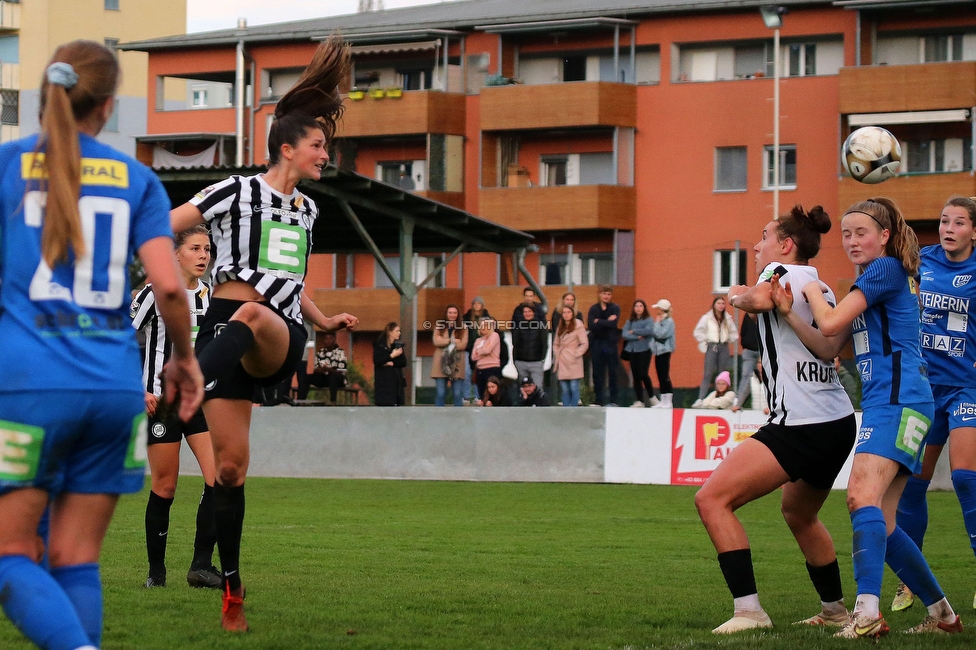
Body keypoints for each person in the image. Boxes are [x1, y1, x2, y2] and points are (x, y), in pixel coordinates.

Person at [0, 40, 203, 650]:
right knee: (75, 560)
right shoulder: (137, 180)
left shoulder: (9, 165)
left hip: (29, 385)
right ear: (109, 104)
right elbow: (170, 288)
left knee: (10, 554)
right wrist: (185, 359)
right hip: (115, 391)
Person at [169, 38, 359, 632]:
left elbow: (287, 283)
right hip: (222, 334)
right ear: (287, 148)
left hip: (275, 339)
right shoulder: (234, 191)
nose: (324, 155)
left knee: (252, 317)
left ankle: (186, 381)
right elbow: (166, 227)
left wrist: (321, 322)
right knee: (228, 470)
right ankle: (230, 587)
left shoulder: (306, 212)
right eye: (318, 145)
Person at [786, 197, 961, 637]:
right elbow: (829, 346)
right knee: (881, 521)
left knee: (859, 498)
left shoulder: (883, 269)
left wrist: (807, 286)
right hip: (901, 403)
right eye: (845, 234)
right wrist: (789, 312)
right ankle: (943, 615)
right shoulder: (875, 277)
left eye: (861, 232)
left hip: (899, 403)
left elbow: (827, 323)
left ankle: (866, 613)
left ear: (884, 236)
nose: (851, 241)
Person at [696, 205, 855, 634]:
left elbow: (758, 298)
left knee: (712, 500)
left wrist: (733, 293)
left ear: (785, 245)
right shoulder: (818, 282)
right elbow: (828, 349)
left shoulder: (781, 272)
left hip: (801, 424)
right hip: (837, 420)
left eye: (764, 236)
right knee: (799, 513)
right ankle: (836, 610)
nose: (757, 244)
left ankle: (749, 611)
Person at [892, 196, 976, 613]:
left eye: (959, 222)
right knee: (911, 487)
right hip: (925, 390)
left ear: (973, 231)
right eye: (944, 220)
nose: (948, 228)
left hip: (966, 389)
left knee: (965, 478)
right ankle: (911, 582)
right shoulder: (921, 261)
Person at [130, 225, 220, 590]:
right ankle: (157, 572)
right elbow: (120, 336)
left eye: (207, 248)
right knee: (165, 487)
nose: (203, 255)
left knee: (220, 479)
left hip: (200, 403)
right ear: (176, 253)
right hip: (161, 404)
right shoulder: (156, 293)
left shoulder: (213, 297)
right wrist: (137, 389)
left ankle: (201, 565)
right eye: (195, 248)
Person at [693, 296, 738, 405]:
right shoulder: (707, 317)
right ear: (714, 304)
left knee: (723, 374)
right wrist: (706, 339)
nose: (721, 305)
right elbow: (698, 331)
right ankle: (701, 398)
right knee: (708, 373)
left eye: (723, 303)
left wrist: (728, 339)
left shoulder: (727, 318)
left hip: (723, 346)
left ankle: (724, 398)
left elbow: (734, 333)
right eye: (719, 303)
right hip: (712, 346)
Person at [587, 285, 621, 406]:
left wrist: (599, 321)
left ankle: (613, 400)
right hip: (597, 344)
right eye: (604, 294)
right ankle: (598, 399)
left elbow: (614, 324)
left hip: (611, 344)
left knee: (613, 373)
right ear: (600, 294)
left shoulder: (615, 308)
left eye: (608, 294)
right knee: (597, 373)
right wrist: (607, 321)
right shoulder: (593, 309)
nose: (606, 296)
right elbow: (591, 326)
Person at [431, 304, 468, 406]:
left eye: (455, 313)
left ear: (458, 314)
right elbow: (436, 341)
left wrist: (443, 342)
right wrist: (451, 340)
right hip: (440, 363)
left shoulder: (463, 327)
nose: (452, 315)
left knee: (457, 394)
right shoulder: (439, 325)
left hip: (457, 363)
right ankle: (439, 417)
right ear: (446, 314)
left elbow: (463, 345)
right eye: (450, 312)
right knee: (441, 393)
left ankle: (459, 419)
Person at [552, 305, 589, 407]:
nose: (566, 315)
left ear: (572, 313)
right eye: (564, 312)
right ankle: (566, 409)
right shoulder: (561, 325)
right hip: (562, 359)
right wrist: (557, 353)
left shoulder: (578, 324)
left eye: (568, 312)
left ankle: (574, 409)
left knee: (574, 387)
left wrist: (576, 354)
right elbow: (556, 343)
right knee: (564, 389)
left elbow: (584, 343)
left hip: (574, 360)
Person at [622, 299, 655, 407]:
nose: (638, 308)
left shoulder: (649, 320)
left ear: (644, 308)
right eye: (636, 306)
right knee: (635, 376)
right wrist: (636, 337)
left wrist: (634, 331)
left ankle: (652, 397)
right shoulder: (629, 321)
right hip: (632, 350)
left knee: (643, 374)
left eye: (641, 306)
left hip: (645, 349)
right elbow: (625, 334)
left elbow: (649, 331)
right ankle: (639, 400)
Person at [512, 302, 548, 387]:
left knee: (537, 388)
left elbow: (544, 343)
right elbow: (515, 343)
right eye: (525, 312)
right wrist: (516, 360)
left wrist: (542, 359)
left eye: (529, 311)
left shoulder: (540, 326)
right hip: (521, 362)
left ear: (533, 313)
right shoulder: (518, 326)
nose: (527, 313)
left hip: (536, 362)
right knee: (524, 389)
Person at [462, 296, 490, 402]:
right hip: (468, 349)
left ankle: (479, 396)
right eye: (475, 303)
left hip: (482, 349)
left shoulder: (487, 318)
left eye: (479, 303)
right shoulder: (466, 318)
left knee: (479, 373)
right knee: (467, 372)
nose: (477, 305)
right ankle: (467, 396)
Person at [649, 299, 676, 409]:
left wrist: (657, 323)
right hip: (657, 350)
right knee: (659, 374)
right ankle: (663, 399)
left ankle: (668, 401)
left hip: (665, 350)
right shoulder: (661, 321)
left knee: (664, 375)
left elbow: (661, 334)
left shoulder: (669, 321)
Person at [731, 314, 760, 412]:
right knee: (746, 375)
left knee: (764, 376)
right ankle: (738, 402)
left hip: (763, 350)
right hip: (749, 350)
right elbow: (743, 331)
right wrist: (745, 344)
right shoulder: (748, 315)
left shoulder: (766, 314)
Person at [308, 331, 347, 402]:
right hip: (324, 377)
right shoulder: (320, 352)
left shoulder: (340, 352)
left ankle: (333, 401)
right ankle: (301, 401)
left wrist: (329, 369)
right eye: (326, 339)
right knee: (307, 377)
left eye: (330, 339)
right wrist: (321, 369)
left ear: (334, 340)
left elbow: (342, 369)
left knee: (333, 377)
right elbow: (315, 368)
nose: (328, 341)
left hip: (337, 379)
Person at [374, 322, 406, 406]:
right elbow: (377, 361)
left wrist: (391, 362)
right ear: (390, 332)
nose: (399, 333)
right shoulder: (380, 346)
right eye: (397, 331)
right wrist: (391, 356)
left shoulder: (398, 346)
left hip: (397, 383)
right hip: (384, 384)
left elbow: (403, 362)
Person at [471, 318, 502, 398]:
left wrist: (479, 351)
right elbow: (473, 357)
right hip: (480, 370)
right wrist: (482, 352)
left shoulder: (494, 335)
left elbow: (487, 350)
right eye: (481, 326)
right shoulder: (478, 340)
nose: (483, 327)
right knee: (482, 394)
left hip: (492, 368)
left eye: (485, 325)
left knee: (492, 395)